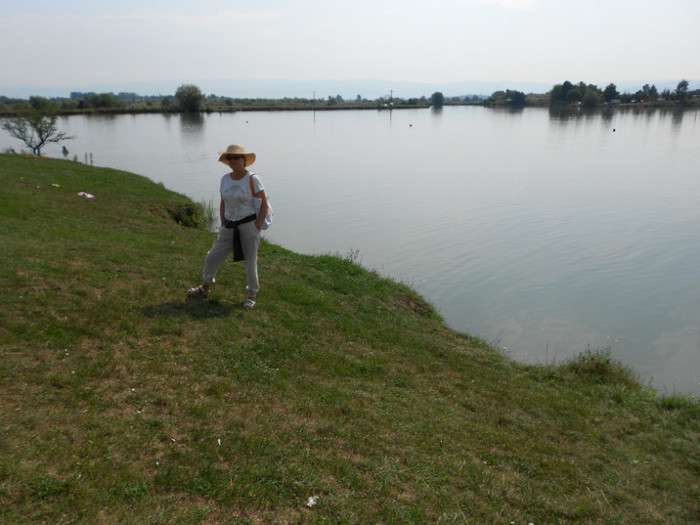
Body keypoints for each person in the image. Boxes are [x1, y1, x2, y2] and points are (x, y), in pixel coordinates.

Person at [189, 144, 270, 308]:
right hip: (229, 225)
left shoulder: (253, 179)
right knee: (212, 255)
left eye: (236, 157)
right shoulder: (225, 179)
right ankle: (205, 286)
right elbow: (223, 202)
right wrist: (223, 222)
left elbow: (264, 204)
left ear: (244, 160)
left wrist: (257, 226)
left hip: (248, 225)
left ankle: (252, 295)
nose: (233, 160)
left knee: (250, 261)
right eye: (230, 158)